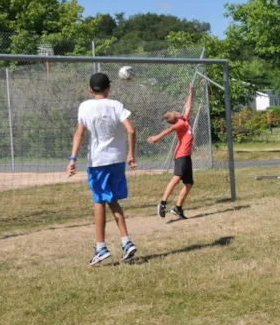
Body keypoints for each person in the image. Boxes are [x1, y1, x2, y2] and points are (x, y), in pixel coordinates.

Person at [67, 73, 139, 265]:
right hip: (117, 160)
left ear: (90, 90)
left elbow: (79, 133)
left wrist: (72, 159)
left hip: (98, 162)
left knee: (99, 202)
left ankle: (101, 248)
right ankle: (126, 241)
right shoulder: (116, 105)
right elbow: (131, 130)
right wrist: (131, 155)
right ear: (109, 88)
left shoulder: (85, 106)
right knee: (112, 199)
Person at [148, 83, 195, 220]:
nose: (179, 111)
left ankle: (177, 208)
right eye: (176, 112)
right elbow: (169, 130)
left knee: (189, 184)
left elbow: (188, 106)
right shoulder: (180, 123)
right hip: (181, 155)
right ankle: (162, 203)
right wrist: (157, 137)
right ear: (176, 116)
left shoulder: (184, 120)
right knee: (176, 178)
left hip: (186, 156)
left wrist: (191, 92)